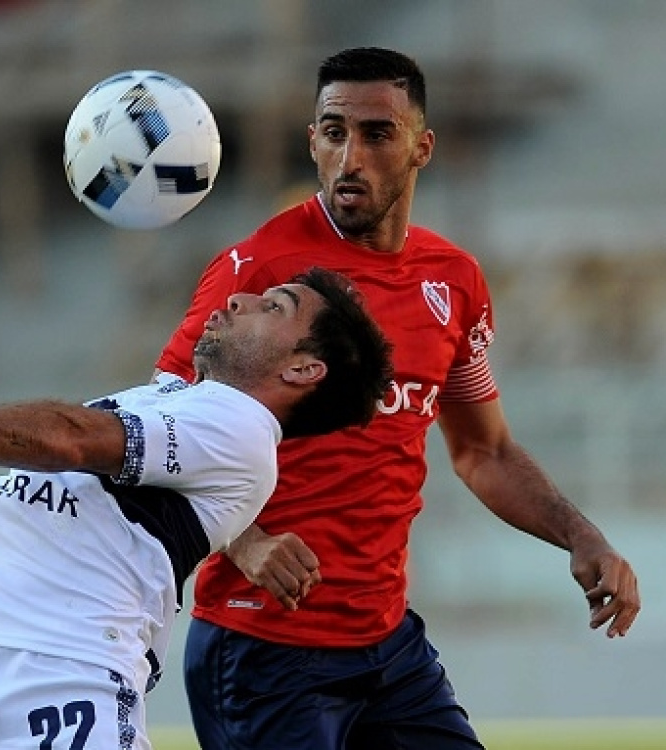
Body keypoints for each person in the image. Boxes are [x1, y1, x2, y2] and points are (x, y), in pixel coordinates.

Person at [151, 46, 641, 750]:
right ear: (312, 141)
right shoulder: (261, 271)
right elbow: (152, 422)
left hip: (388, 647)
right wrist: (243, 538)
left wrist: (581, 536)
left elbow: (483, 451)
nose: (351, 157)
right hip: (264, 647)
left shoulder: (454, 281)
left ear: (421, 147)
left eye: (377, 134)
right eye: (333, 132)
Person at [0, 267, 394, 750]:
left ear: (303, 368)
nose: (238, 299)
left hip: (59, 677)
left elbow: (72, 438)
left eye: (273, 306)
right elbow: (2, 509)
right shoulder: (158, 400)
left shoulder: (242, 432)